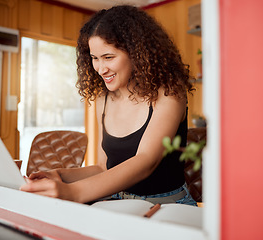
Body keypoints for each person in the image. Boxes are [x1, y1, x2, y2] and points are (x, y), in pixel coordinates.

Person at [20, 5, 197, 206]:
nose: (100, 69)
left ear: (137, 54)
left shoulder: (170, 93)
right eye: (94, 58)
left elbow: (146, 161)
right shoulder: (103, 99)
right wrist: (59, 175)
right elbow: (104, 168)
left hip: (168, 206)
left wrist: (72, 192)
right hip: (119, 203)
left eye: (108, 57)